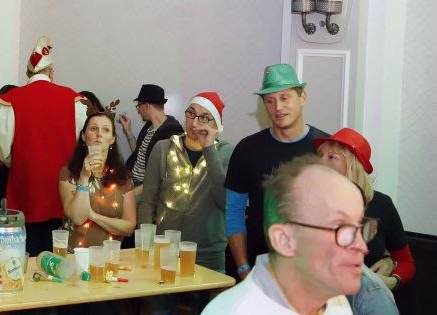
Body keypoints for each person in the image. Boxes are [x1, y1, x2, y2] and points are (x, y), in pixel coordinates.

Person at [203, 155, 367, 314]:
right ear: (284, 240)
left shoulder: (337, 304)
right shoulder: (233, 311)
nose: (362, 246)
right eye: (339, 226)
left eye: (360, 227)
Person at [224, 63, 328, 279]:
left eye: (285, 98)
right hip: (256, 269)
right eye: (270, 101)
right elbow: (234, 211)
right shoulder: (247, 149)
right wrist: (243, 268)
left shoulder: (326, 150)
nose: (278, 107)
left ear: (303, 97)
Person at [0, 36, 88, 255]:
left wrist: (19, 161)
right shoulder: (74, 100)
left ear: (27, 74)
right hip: (64, 193)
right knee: (60, 254)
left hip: (25, 190)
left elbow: (0, 148)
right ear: (51, 73)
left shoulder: (10, 100)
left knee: (25, 252)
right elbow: (82, 143)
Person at [138, 92, 233, 314]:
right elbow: (148, 201)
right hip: (165, 251)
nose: (195, 122)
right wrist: (146, 245)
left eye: (204, 117)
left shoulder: (227, 153)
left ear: (216, 124)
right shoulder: (163, 148)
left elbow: (226, 202)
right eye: (191, 114)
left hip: (208, 254)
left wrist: (209, 149)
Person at [315, 128, 415, 289]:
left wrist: (392, 281)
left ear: (353, 165)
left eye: (331, 157)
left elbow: (406, 262)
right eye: (319, 155)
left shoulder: (382, 204)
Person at [58, 105, 136, 248]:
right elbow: (78, 217)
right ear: (83, 136)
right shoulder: (69, 173)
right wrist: (84, 176)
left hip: (110, 255)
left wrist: (93, 216)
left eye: (106, 130)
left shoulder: (123, 177)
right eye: (93, 129)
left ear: (112, 139)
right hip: (75, 254)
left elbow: (129, 227)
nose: (99, 134)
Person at [121, 84, 184, 197]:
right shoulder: (148, 126)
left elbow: (164, 176)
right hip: (131, 180)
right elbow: (138, 153)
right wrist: (128, 131)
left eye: (138, 106)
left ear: (147, 105)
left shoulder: (172, 131)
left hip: (145, 189)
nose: (138, 111)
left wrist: (131, 194)